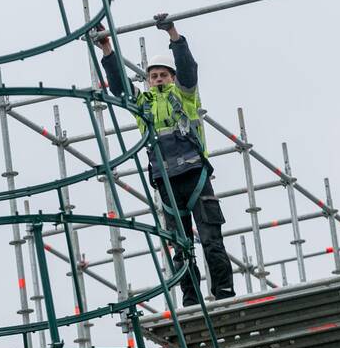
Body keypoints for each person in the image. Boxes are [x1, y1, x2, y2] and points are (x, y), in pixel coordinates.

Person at [95, 15, 235, 306]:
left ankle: (223, 293)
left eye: (163, 75)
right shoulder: (143, 104)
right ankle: (191, 299)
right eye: (153, 76)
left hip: (195, 176)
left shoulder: (184, 97)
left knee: (210, 240)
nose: (158, 79)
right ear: (148, 80)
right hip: (166, 182)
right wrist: (107, 49)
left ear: (171, 77)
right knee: (180, 248)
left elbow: (188, 69)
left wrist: (173, 35)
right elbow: (119, 87)